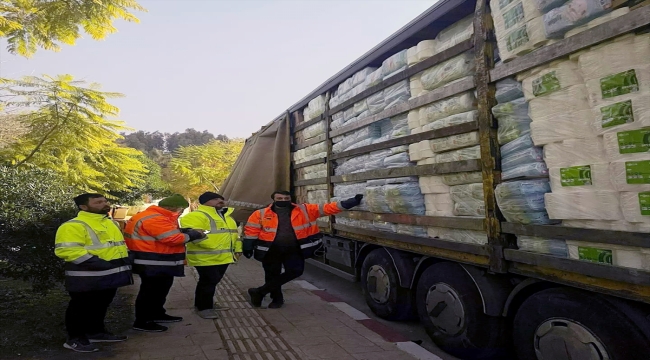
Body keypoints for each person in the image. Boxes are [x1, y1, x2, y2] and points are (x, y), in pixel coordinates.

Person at [243, 191, 363, 308]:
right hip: (270, 249)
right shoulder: (261, 213)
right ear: (273, 199)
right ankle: (277, 299)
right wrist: (248, 245)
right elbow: (252, 230)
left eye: (286, 199)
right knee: (272, 274)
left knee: (296, 271)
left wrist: (349, 203)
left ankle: (259, 292)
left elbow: (328, 208)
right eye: (279, 199)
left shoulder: (304, 210)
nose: (283, 201)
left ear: (291, 199)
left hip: (294, 249)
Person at [54, 193, 133, 353]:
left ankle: (96, 332)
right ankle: (74, 339)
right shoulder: (73, 225)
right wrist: (98, 263)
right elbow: (67, 250)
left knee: (101, 306)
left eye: (105, 201)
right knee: (81, 308)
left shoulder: (110, 223)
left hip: (110, 275)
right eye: (98, 202)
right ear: (83, 207)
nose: (105, 204)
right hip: (86, 277)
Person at [124, 194, 207, 332]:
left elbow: (165, 233)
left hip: (156, 260)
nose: (181, 213)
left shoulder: (156, 216)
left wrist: (184, 231)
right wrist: (194, 235)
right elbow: (172, 239)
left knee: (159, 290)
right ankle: (143, 321)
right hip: (153, 261)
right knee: (150, 292)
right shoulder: (156, 218)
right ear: (175, 208)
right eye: (181, 210)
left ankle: (156, 314)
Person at [180, 192, 242, 319]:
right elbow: (194, 237)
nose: (220, 201)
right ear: (204, 202)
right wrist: (215, 247)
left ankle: (205, 304)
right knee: (208, 282)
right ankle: (204, 308)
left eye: (221, 199)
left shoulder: (228, 217)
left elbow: (236, 235)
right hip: (205, 257)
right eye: (215, 199)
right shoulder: (196, 216)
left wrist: (238, 249)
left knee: (213, 282)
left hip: (223, 257)